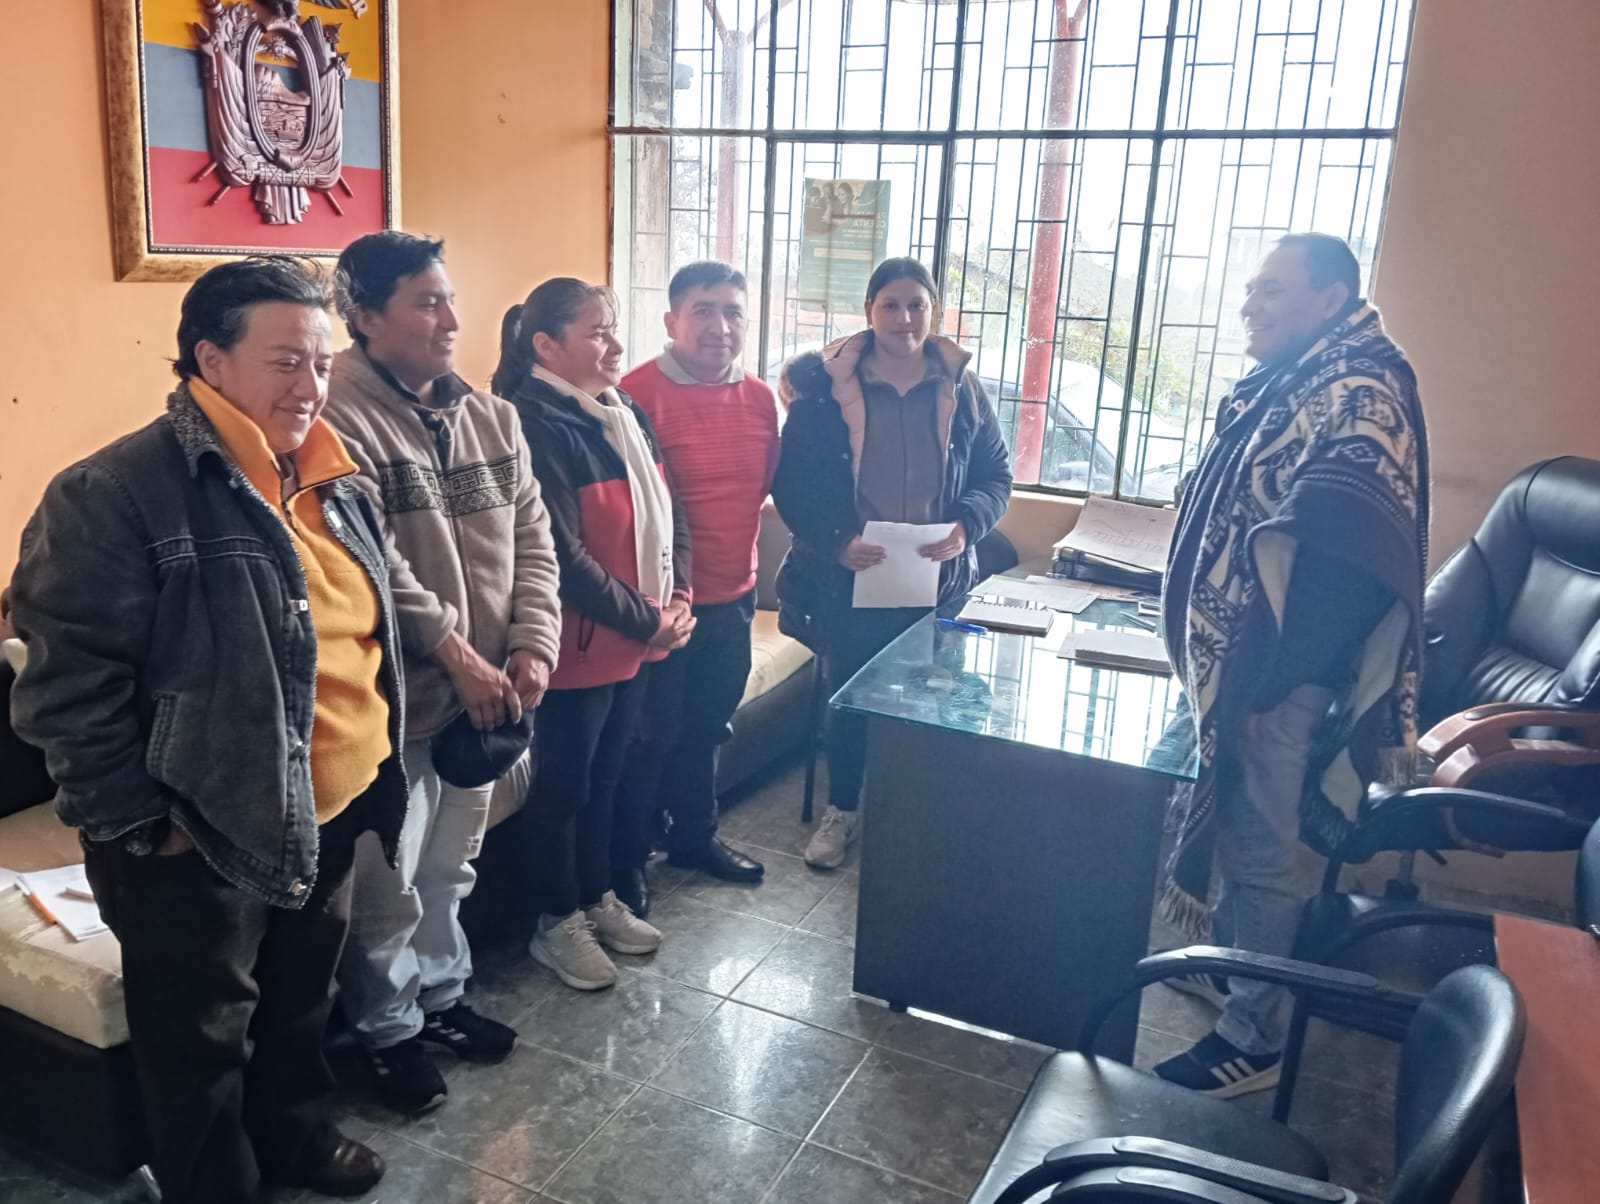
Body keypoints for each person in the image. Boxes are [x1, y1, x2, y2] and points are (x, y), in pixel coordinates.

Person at [8, 257, 407, 1202]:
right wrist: (144, 826)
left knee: (301, 1002)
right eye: (285, 361)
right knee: (198, 1044)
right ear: (209, 360)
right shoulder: (113, 491)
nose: (310, 385)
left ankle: (296, 1140)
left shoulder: (332, 472)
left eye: (320, 362)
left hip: (331, 804)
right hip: (202, 828)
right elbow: (67, 690)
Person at [1154, 232, 1429, 1098]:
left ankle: (1255, 1037)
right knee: (1238, 838)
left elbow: (1342, 578)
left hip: (1280, 677)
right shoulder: (1300, 378)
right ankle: (1239, 974)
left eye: (1272, 289)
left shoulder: (1361, 390)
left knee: (1264, 856)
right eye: (1249, 290)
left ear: (1331, 296)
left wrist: (1261, 687)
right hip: (1250, 670)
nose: (1250, 305)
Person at [321, 232, 562, 1115]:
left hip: (489, 699)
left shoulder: (493, 417)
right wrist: (458, 656)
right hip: (399, 706)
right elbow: (373, 564)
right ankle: (387, 1033)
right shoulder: (334, 420)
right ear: (365, 316)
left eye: (450, 299)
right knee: (387, 885)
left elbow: (533, 540)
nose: (451, 320)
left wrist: (533, 645)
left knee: (451, 868)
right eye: (427, 303)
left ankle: (441, 997)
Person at [773, 256, 1013, 870]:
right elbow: (792, 482)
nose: (904, 318)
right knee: (850, 699)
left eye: (917, 305)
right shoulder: (826, 390)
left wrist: (967, 526)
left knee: (936, 697)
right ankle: (844, 811)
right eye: (891, 305)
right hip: (852, 576)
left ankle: (918, 814)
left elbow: (996, 475)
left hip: (939, 578)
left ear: (935, 312)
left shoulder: (963, 388)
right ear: (869, 311)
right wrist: (836, 540)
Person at [493, 278, 692, 989]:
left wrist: (680, 596)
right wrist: (650, 621)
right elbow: (563, 557)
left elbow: (669, 509)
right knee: (564, 789)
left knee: (607, 778)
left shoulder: (621, 409)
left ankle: (596, 895)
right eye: (598, 331)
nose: (614, 344)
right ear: (547, 345)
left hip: (635, 638)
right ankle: (557, 922)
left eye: (613, 328)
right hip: (576, 645)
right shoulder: (531, 423)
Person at [610, 262, 780, 915]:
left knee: (707, 727)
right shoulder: (633, 395)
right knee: (649, 738)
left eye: (733, 312)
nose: (720, 326)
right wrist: (654, 603)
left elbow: (760, 487)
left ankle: (694, 839)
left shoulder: (759, 398)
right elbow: (622, 509)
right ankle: (628, 860)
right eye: (703, 311)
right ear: (672, 320)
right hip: (658, 609)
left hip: (733, 597)